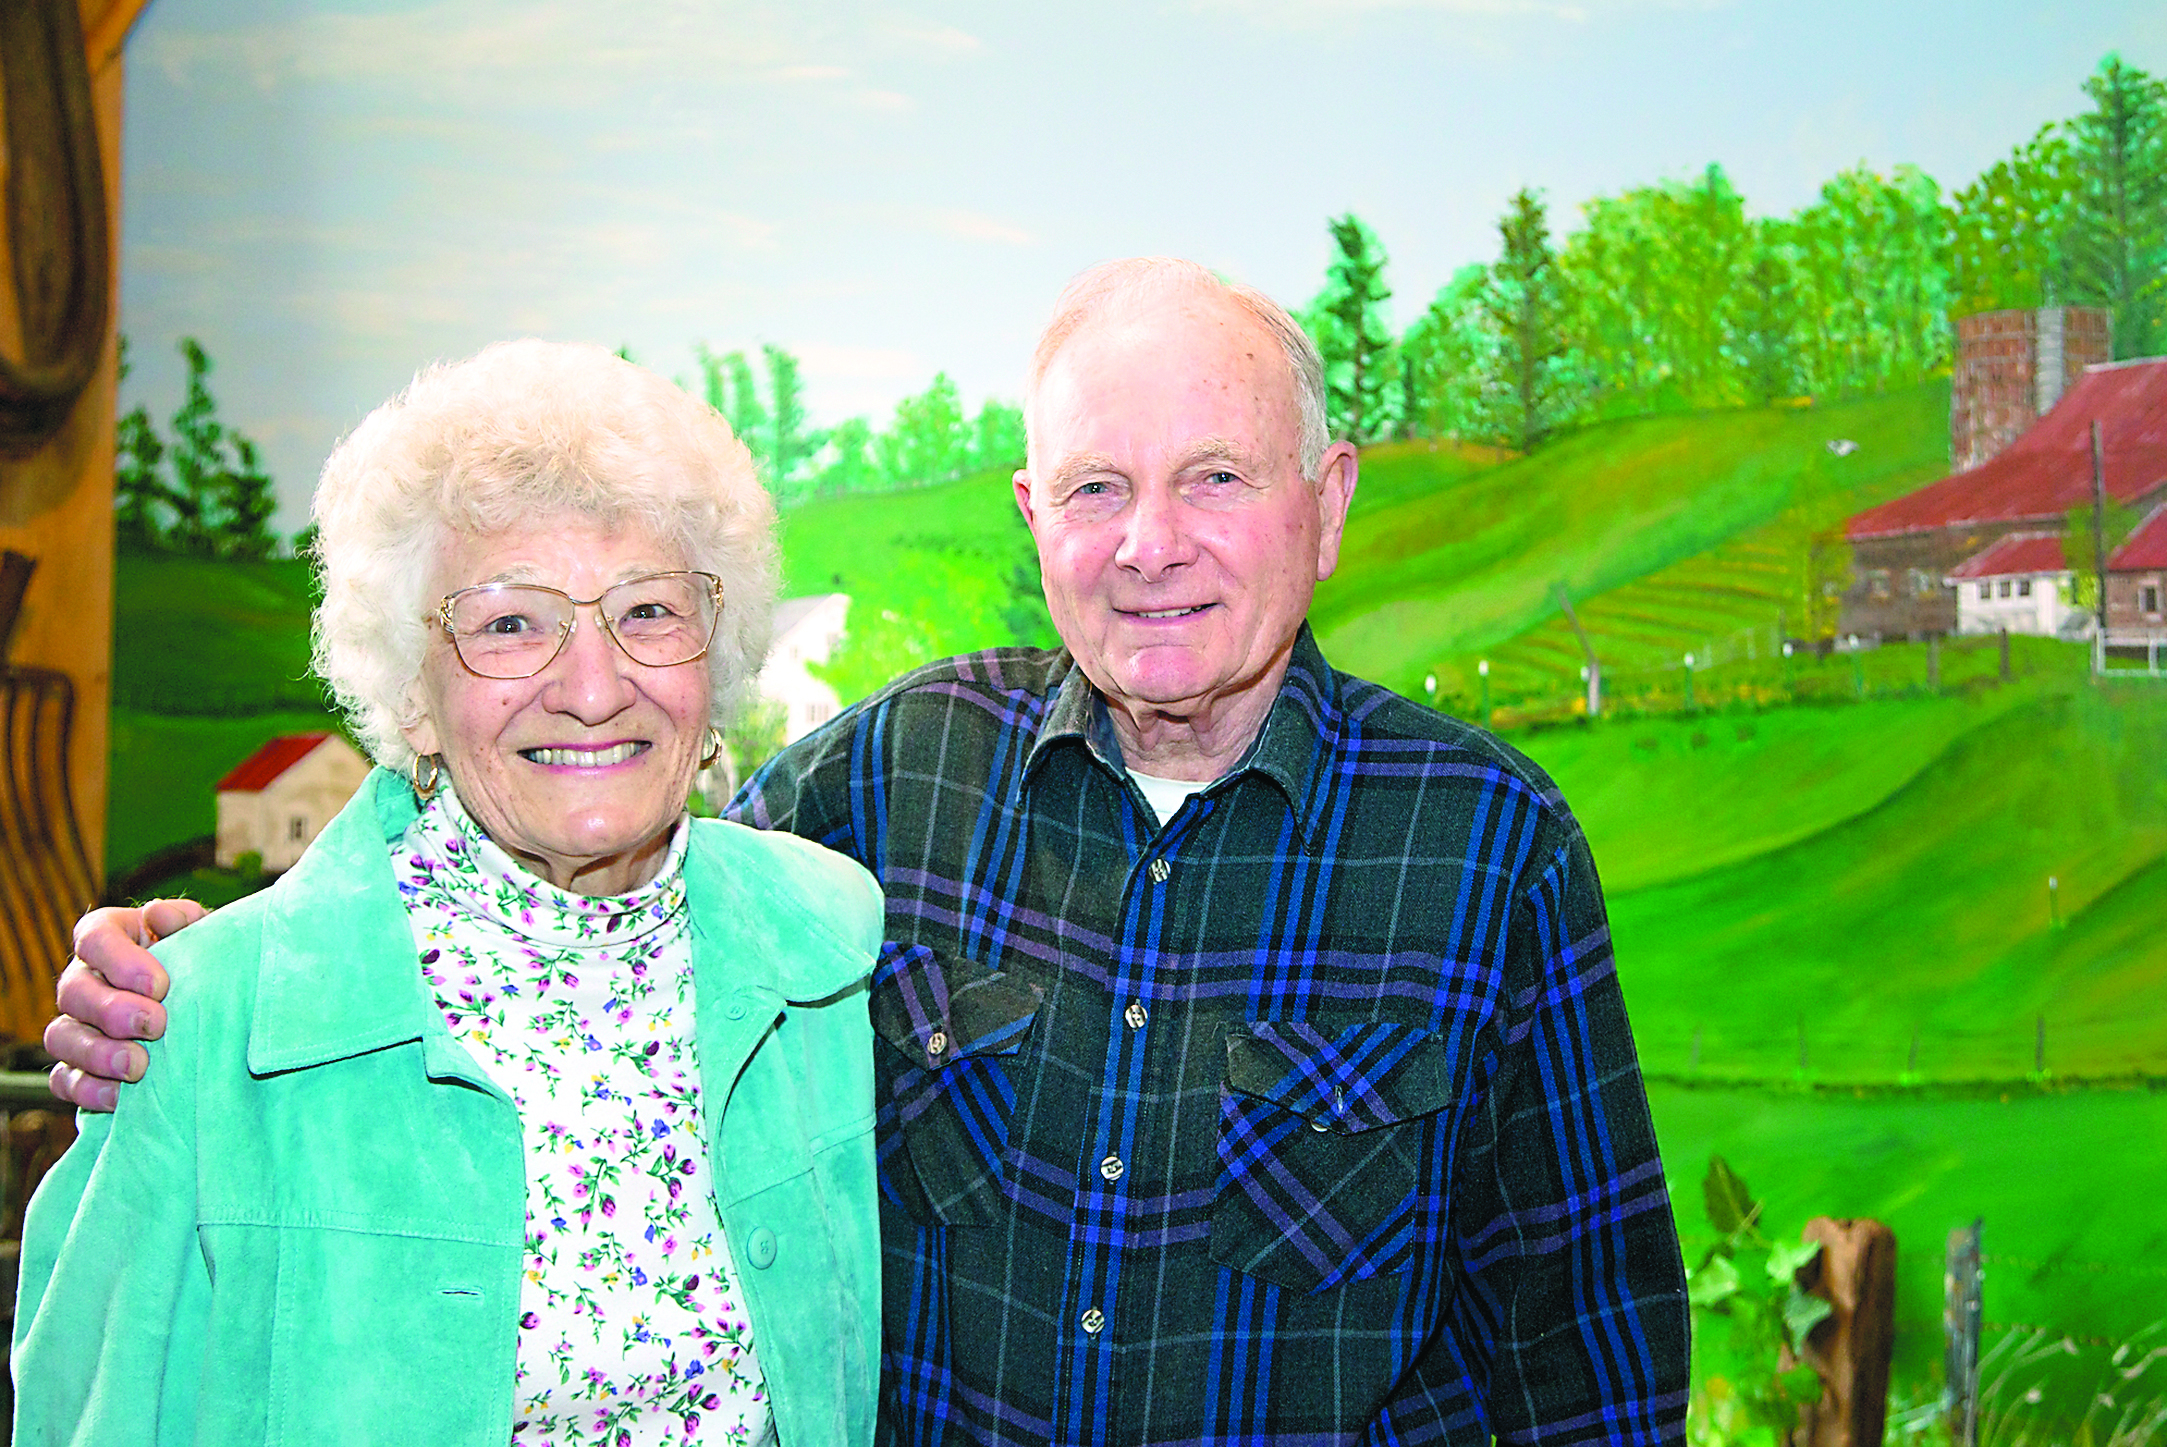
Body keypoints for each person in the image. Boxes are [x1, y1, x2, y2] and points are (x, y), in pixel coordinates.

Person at [52, 261, 1688, 1444]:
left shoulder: (1489, 847)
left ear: (1325, 503)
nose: (1150, 544)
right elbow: (570, 839)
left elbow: (1591, 1368)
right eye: (1097, 485)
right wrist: (185, 972)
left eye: (1216, 480)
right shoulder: (898, 778)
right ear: (1033, 512)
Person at [20, 340, 884, 1446]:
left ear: (714, 661)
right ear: (410, 694)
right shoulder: (198, 1023)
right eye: (510, 622)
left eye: (650, 611)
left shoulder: (826, 952)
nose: (590, 685)